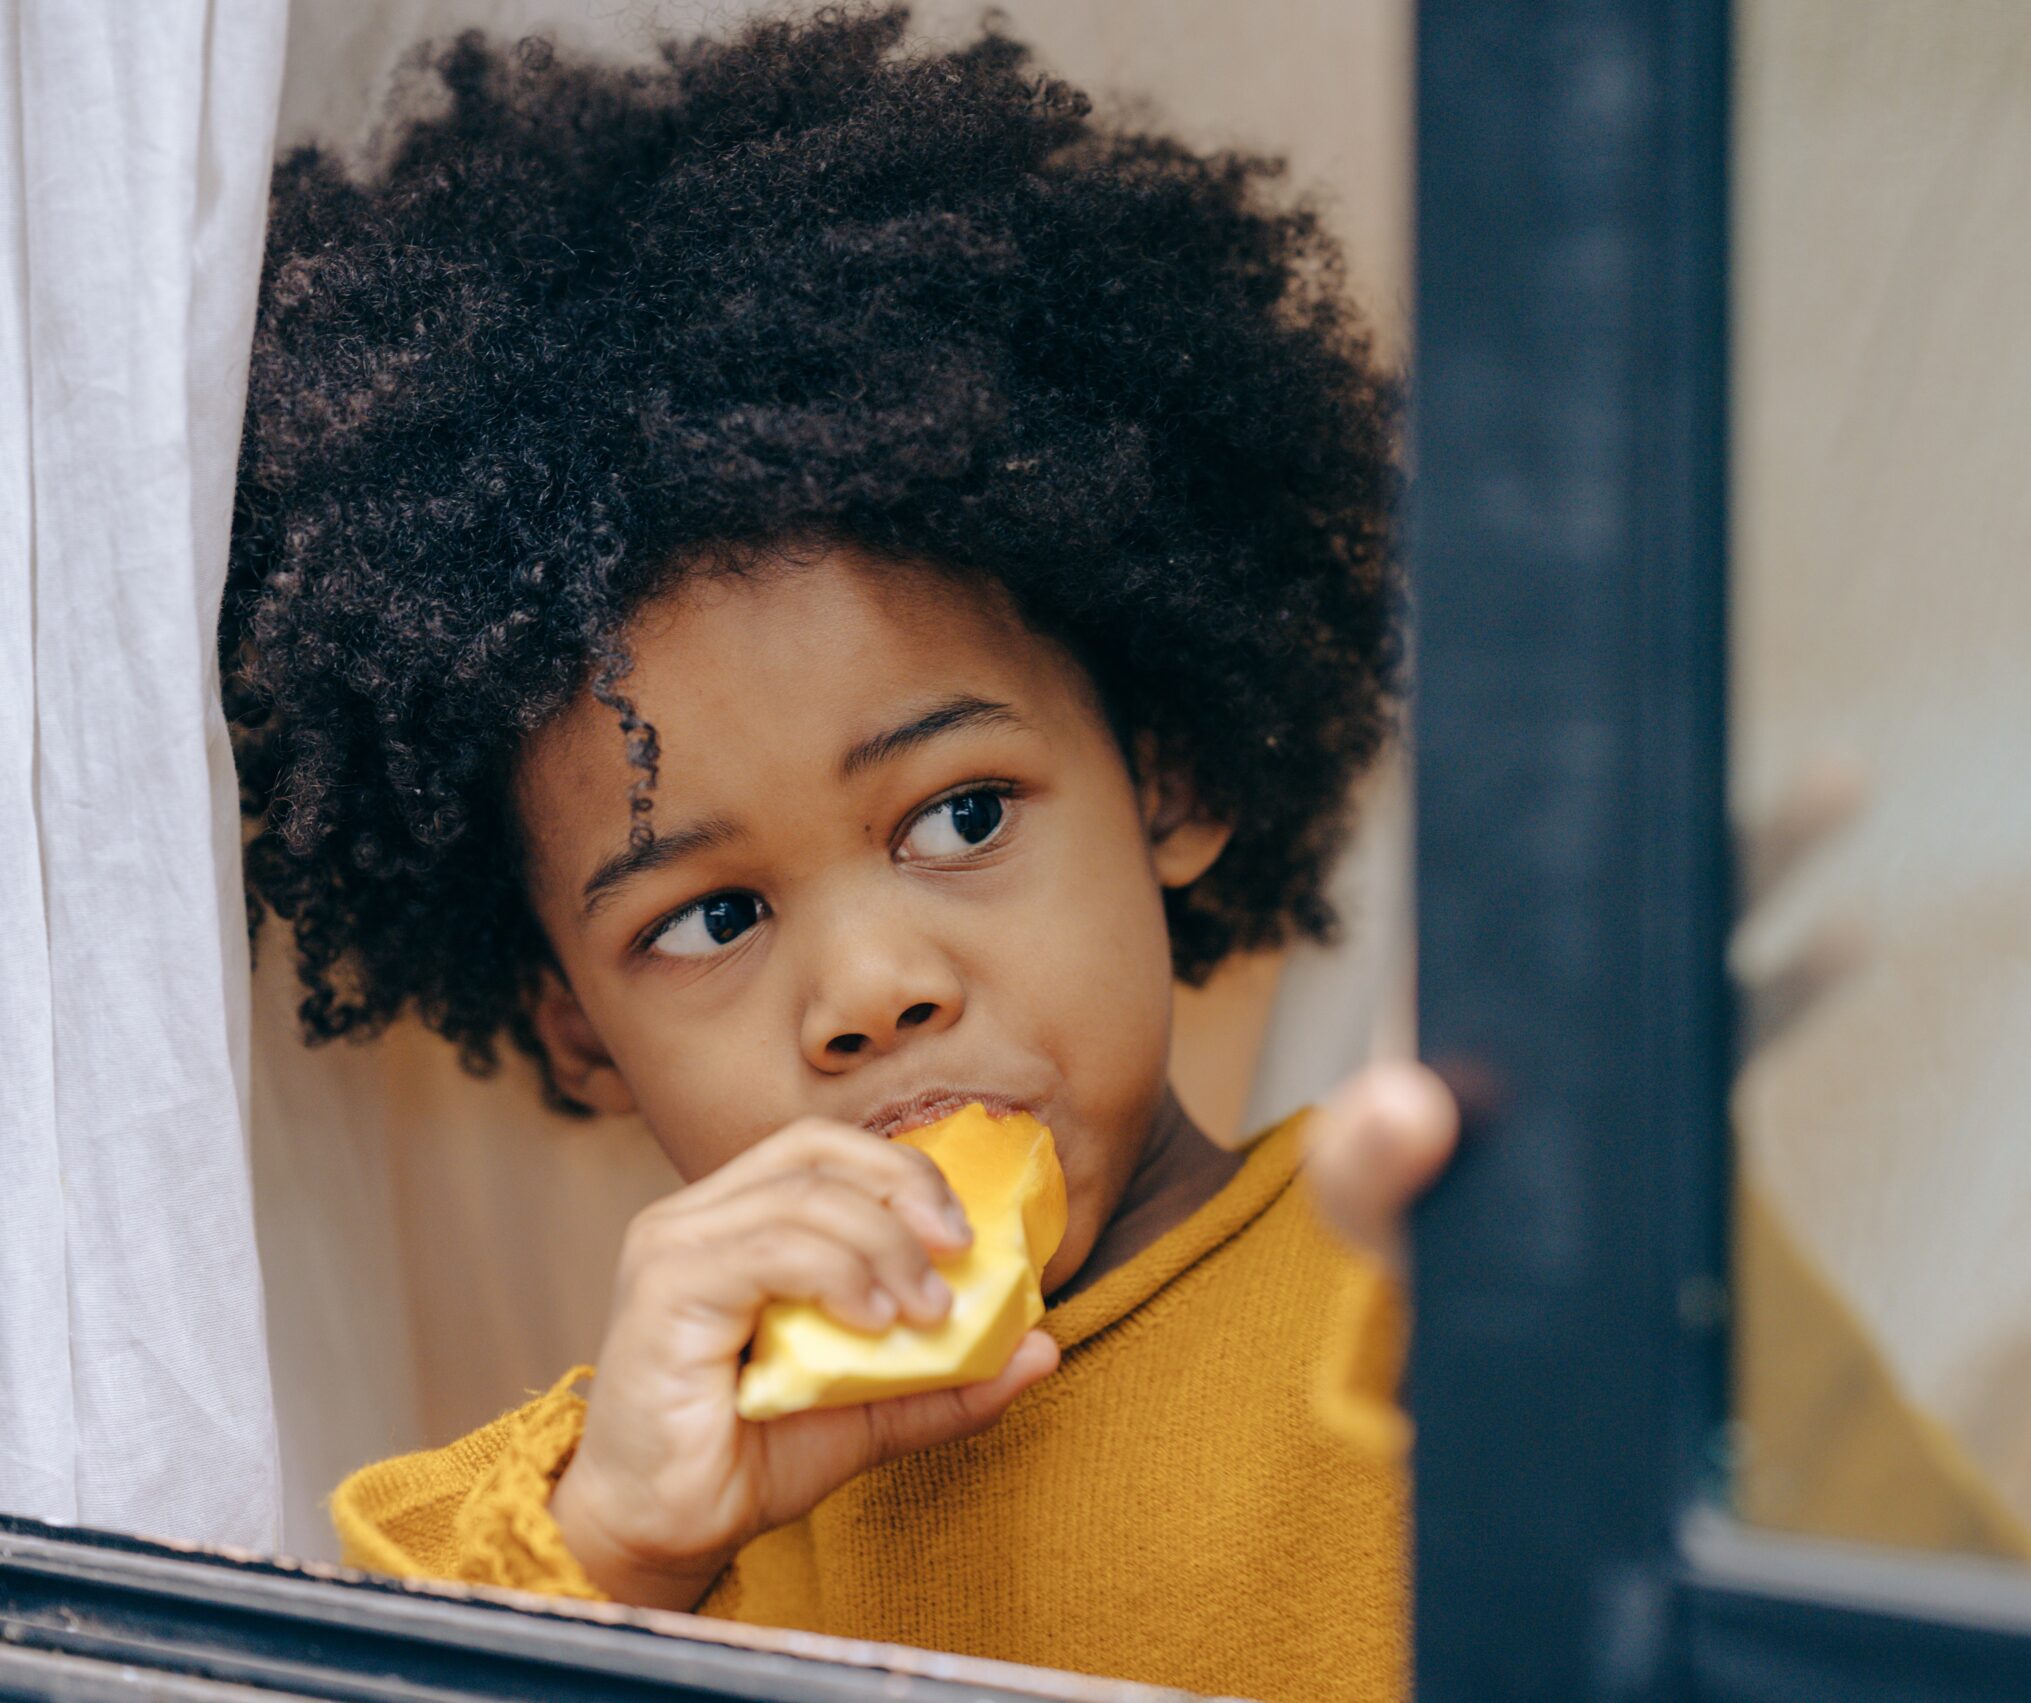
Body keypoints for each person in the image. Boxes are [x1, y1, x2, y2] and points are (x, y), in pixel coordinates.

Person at [225, 14, 1404, 1701]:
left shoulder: (1426, 1289)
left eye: (962, 816)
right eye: (710, 917)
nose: (868, 993)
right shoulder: (637, 1507)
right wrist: (619, 1552)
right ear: (573, 1024)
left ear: (1170, 773)